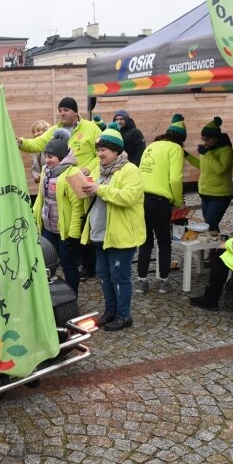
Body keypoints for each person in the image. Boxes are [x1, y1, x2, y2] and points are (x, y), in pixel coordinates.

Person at [80, 123, 145, 331]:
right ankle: (110, 311)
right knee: (104, 276)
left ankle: (124, 315)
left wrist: (100, 189)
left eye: (103, 150)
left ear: (116, 150)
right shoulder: (99, 169)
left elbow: (128, 197)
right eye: (98, 150)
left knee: (120, 277)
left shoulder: (130, 170)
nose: (99, 154)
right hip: (99, 233)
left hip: (120, 235)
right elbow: (96, 194)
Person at [135, 114, 187, 295]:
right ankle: (163, 282)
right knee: (164, 242)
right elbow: (175, 179)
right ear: (181, 140)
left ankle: (141, 282)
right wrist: (178, 202)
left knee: (145, 241)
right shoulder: (175, 149)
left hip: (141, 198)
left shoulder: (152, 146)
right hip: (159, 201)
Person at [32, 129, 85, 294]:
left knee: (68, 265)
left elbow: (78, 206)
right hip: (48, 228)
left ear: (61, 157)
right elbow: (41, 198)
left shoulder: (73, 173)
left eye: (50, 157)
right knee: (45, 262)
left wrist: (73, 234)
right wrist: (35, 219)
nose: (47, 160)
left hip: (65, 232)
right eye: (45, 156)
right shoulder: (45, 172)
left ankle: (72, 295)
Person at [19, 97, 101, 168]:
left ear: (75, 112)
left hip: (84, 181)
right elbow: (37, 143)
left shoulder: (92, 128)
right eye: (60, 111)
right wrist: (21, 142)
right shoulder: (55, 130)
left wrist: (88, 168)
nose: (62, 113)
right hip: (60, 181)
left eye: (66, 110)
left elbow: (103, 154)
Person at [185, 116, 233, 232]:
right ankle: (215, 248)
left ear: (215, 138)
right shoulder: (208, 150)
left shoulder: (226, 150)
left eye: (207, 139)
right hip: (206, 193)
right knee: (209, 226)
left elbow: (220, 169)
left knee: (210, 224)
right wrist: (186, 155)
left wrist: (207, 153)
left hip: (220, 195)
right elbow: (201, 166)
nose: (205, 142)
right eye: (203, 139)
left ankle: (218, 249)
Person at [29, 120, 52, 186]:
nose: (35, 134)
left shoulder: (54, 145)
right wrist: (36, 176)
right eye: (34, 132)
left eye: (38, 131)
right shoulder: (35, 149)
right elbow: (34, 168)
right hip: (44, 185)